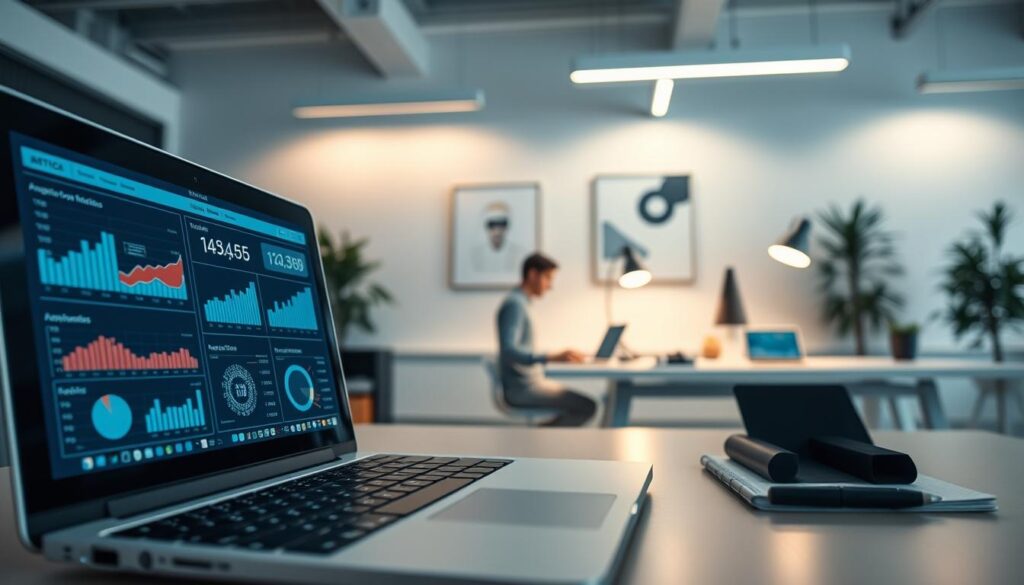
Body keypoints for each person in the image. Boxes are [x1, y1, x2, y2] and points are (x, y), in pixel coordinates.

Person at [496, 253, 597, 426]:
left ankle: (541, 439)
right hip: (523, 389)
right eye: (548, 278)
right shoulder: (515, 305)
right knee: (587, 406)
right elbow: (508, 350)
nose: (550, 286)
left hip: (530, 383)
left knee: (586, 404)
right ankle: (541, 441)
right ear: (533, 274)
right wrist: (549, 357)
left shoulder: (523, 303)